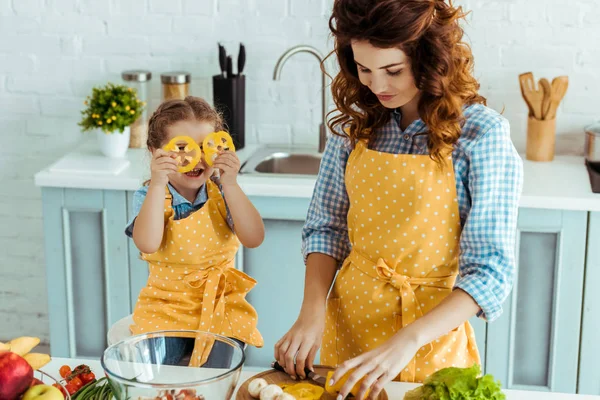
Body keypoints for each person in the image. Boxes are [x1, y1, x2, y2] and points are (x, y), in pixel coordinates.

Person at [274, 0, 523, 398]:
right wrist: (311, 312)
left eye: (393, 70)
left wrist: (407, 340)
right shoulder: (356, 126)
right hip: (350, 327)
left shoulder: (480, 135)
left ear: (429, 58)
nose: (377, 85)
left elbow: (490, 273)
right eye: (364, 68)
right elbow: (328, 227)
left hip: (429, 338)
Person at [125, 96, 265, 367]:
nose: (197, 158)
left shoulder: (224, 193)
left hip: (221, 306)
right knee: (158, 377)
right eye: (182, 148)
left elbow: (254, 238)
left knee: (217, 377)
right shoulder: (149, 195)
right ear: (156, 153)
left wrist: (232, 184)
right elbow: (147, 243)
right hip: (166, 308)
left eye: (206, 148)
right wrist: (156, 185)